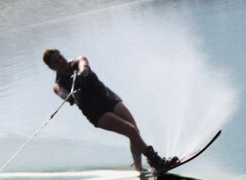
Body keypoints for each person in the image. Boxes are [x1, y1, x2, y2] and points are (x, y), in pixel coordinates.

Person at [43, 48, 176, 171]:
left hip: (109, 98)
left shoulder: (78, 61)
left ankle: (139, 170)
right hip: (96, 113)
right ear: (51, 67)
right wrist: (71, 97)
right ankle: (157, 162)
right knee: (130, 130)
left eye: (60, 57)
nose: (61, 61)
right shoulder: (58, 84)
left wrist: (83, 73)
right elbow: (61, 93)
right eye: (56, 61)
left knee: (134, 130)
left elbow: (84, 65)